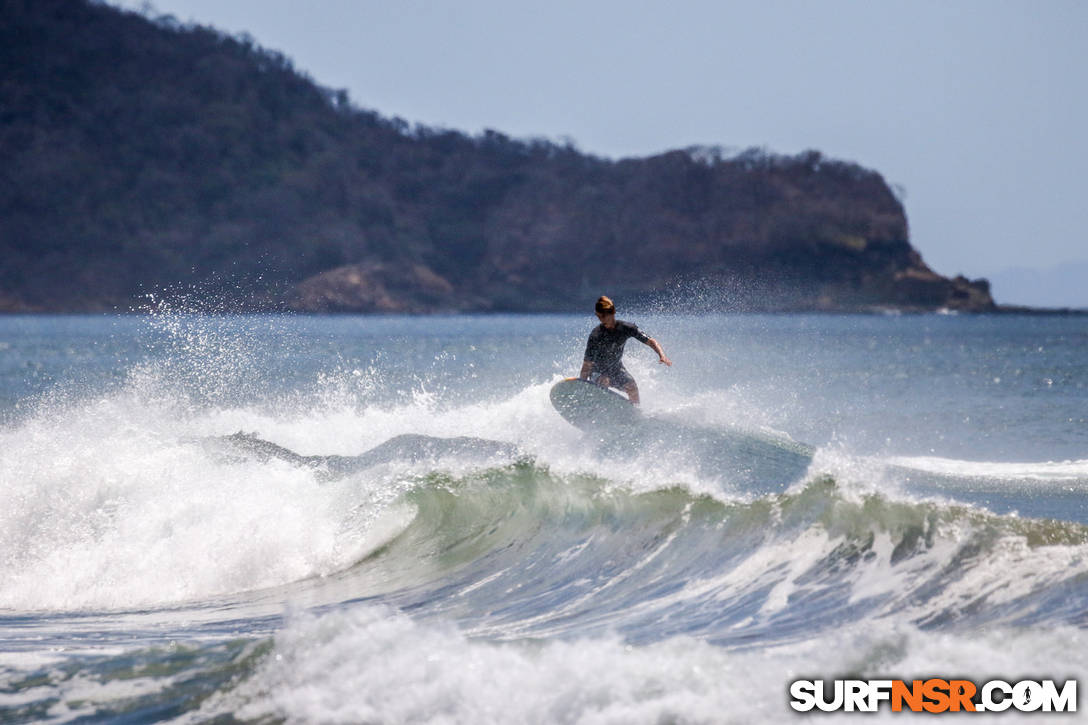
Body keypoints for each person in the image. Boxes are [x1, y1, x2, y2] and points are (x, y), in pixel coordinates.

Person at [579, 295, 671, 404]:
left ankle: (635, 412)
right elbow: (587, 365)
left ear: (612, 312)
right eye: (599, 316)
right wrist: (581, 386)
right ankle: (597, 406)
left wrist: (662, 356)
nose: (601, 319)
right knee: (604, 381)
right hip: (597, 372)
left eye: (604, 316)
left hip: (616, 370)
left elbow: (651, 341)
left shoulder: (626, 328)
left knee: (632, 387)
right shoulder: (596, 335)